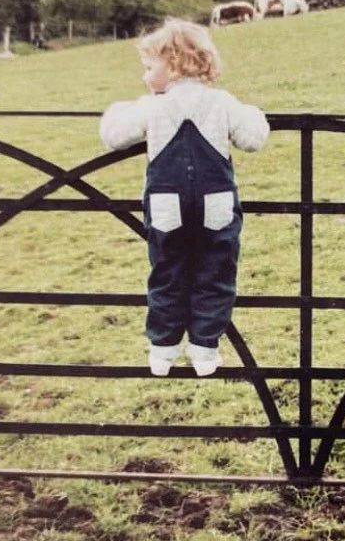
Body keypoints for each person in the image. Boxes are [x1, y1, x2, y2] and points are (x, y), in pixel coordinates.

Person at [100, 19, 269, 377]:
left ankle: (162, 349)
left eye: (149, 68)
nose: (145, 77)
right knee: (215, 274)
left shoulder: (152, 107)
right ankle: (205, 349)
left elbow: (113, 134)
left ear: (174, 63)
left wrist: (117, 110)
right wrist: (254, 113)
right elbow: (254, 137)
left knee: (167, 273)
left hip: (166, 209)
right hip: (217, 207)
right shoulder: (221, 103)